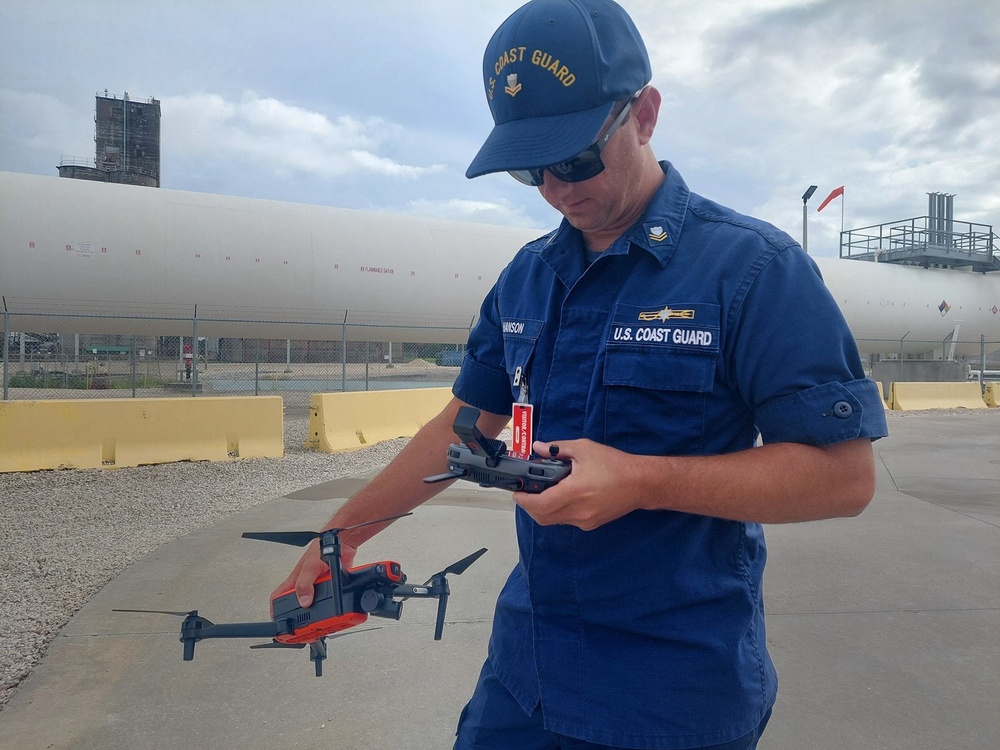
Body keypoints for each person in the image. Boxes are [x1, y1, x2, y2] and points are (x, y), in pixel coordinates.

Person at [274, 1, 889, 747]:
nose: (559, 189)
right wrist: (339, 540)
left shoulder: (755, 271)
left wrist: (644, 480)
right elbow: (460, 429)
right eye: (532, 169)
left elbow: (843, 478)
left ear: (646, 114)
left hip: (673, 691)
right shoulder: (527, 279)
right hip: (528, 675)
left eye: (575, 158)